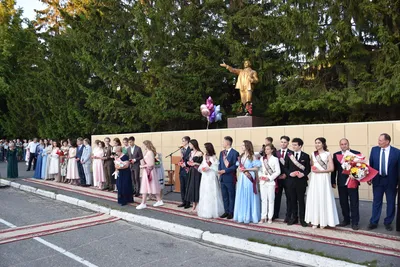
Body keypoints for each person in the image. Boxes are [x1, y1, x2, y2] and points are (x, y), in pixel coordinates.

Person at [368, 133, 400, 231]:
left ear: (387, 141)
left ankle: (388, 222)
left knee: (390, 202)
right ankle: (374, 222)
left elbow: (399, 168)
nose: (379, 142)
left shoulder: (397, 152)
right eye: (379, 140)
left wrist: (398, 182)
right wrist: (369, 177)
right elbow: (371, 165)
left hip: (391, 181)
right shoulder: (374, 150)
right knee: (376, 202)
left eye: (381, 140)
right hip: (377, 180)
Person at [305, 137, 339, 229]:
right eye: (316, 143)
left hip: (323, 178)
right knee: (315, 197)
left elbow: (331, 168)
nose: (317, 144)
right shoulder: (313, 154)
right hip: (315, 178)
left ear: (323, 144)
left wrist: (320, 171)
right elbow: (312, 166)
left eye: (319, 143)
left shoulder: (327, 154)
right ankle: (315, 221)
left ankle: (324, 221)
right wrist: (313, 168)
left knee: (323, 197)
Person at [331, 138, 361, 230]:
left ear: (348, 144)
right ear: (340, 145)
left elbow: (361, 167)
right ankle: (346, 220)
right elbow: (334, 169)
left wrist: (357, 176)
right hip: (341, 182)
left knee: (354, 202)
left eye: (345, 144)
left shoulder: (356, 154)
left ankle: (355, 222)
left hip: (353, 181)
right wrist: (333, 181)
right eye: (342, 144)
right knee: (343, 202)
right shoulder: (336, 155)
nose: (344, 146)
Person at [285, 138, 311, 227]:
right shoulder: (289, 155)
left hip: (301, 181)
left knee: (301, 200)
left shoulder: (306, 156)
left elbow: (308, 169)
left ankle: (302, 219)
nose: (293, 146)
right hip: (291, 181)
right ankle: (294, 217)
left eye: (295, 145)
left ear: (300, 146)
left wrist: (303, 174)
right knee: (292, 200)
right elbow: (285, 168)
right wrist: (290, 173)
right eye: (293, 145)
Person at [234, 140, 261, 224]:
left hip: (249, 177)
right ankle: (242, 215)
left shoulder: (252, 156)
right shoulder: (241, 156)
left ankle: (250, 215)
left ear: (247, 146)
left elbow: (256, 168)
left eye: (243, 145)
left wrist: (246, 169)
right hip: (242, 177)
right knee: (242, 195)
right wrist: (240, 169)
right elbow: (238, 166)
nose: (242, 147)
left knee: (249, 195)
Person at [197, 142, 224, 218]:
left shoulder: (214, 156)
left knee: (212, 191)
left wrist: (209, 168)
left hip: (211, 175)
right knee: (205, 191)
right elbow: (203, 164)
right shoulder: (204, 155)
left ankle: (214, 210)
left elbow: (216, 166)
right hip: (205, 175)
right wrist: (202, 168)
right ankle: (205, 210)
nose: (204, 149)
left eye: (205, 148)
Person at [136, 140, 163, 209]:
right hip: (147, 171)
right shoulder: (147, 152)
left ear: (146, 145)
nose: (143, 146)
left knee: (151, 185)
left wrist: (143, 166)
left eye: (143, 145)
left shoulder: (150, 152)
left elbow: (151, 164)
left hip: (149, 171)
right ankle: (158, 200)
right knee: (149, 185)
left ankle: (144, 203)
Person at [218, 136, 240, 219]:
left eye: (223, 142)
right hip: (222, 177)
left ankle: (231, 212)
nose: (222, 143)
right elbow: (220, 163)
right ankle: (226, 211)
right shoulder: (222, 153)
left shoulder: (235, 153)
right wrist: (219, 170)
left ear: (228, 143)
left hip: (230, 177)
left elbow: (235, 166)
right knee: (224, 196)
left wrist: (225, 171)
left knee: (231, 195)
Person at [258, 144, 281, 224]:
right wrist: (261, 176)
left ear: (272, 150)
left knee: (271, 200)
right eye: (265, 149)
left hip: (271, 182)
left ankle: (270, 217)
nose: (266, 151)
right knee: (263, 200)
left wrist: (270, 178)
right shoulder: (261, 159)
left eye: (268, 149)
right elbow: (259, 169)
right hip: (262, 181)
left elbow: (278, 172)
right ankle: (263, 216)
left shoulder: (275, 159)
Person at [274, 136, 293, 222]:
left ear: (288, 143)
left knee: (289, 197)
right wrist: (278, 175)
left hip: (287, 178)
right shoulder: (276, 153)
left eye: (285, 142)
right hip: (278, 178)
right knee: (277, 197)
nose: (283, 144)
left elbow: (293, 166)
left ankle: (288, 215)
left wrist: (286, 174)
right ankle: (275, 214)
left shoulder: (291, 153)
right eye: (281, 142)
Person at [184, 139, 203, 212]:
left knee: (196, 186)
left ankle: (197, 204)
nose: (189, 146)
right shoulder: (190, 152)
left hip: (197, 171)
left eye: (190, 144)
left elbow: (202, 163)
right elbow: (188, 160)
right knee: (191, 186)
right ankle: (193, 204)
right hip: (191, 171)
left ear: (193, 144)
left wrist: (195, 164)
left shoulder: (200, 153)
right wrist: (188, 163)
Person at [177, 136, 192, 208]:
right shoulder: (182, 149)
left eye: (183, 141)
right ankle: (183, 201)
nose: (182, 142)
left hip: (187, 169)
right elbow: (182, 158)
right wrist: (180, 162)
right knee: (182, 186)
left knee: (187, 186)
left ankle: (188, 202)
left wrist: (185, 164)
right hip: (182, 169)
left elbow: (191, 160)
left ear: (187, 142)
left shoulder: (191, 149)